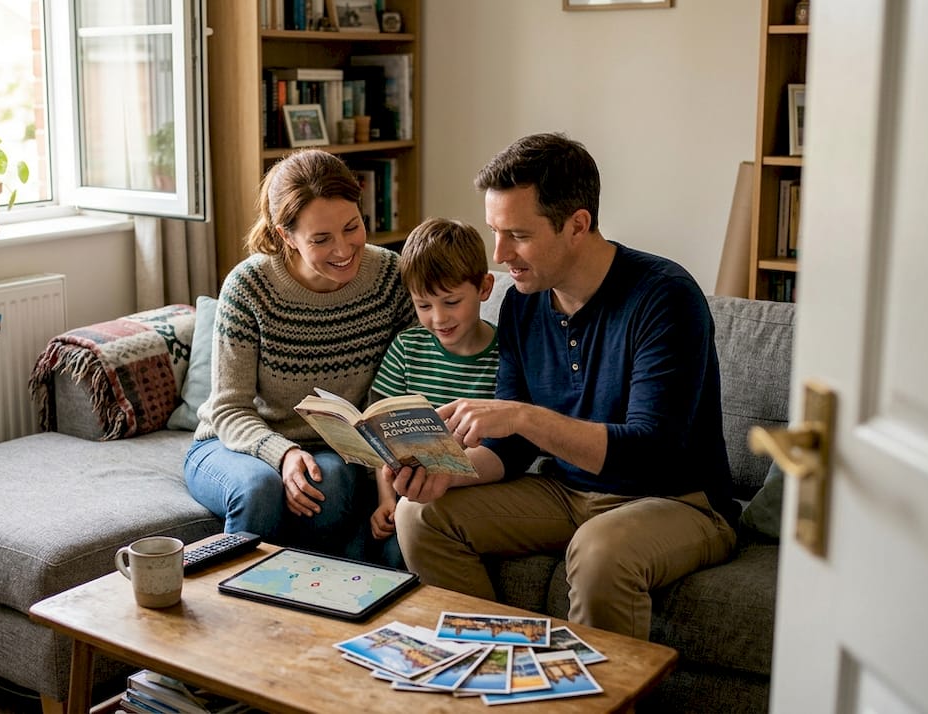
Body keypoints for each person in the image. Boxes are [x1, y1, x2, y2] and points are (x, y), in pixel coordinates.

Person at [387, 133, 738, 640]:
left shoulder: (665, 298)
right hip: (566, 492)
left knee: (601, 551)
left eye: (518, 235)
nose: (500, 253)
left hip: (677, 500)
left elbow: (651, 453)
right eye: (495, 231)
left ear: (577, 225)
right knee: (421, 513)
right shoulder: (522, 303)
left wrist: (525, 417)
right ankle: (499, 669)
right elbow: (507, 451)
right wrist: (442, 472)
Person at [184, 149, 416, 559]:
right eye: (321, 239)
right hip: (234, 444)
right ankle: (236, 615)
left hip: (336, 451)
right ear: (286, 235)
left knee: (331, 485)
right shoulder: (250, 287)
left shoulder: (388, 280)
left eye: (352, 227)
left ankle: (307, 609)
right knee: (260, 489)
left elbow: (404, 385)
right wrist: (284, 454)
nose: (344, 249)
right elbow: (228, 409)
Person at [366, 217, 499, 569]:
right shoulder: (408, 348)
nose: (438, 318)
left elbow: (501, 453)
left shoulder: (506, 358)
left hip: (466, 491)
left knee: (400, 549)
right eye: (424, 305)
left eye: (451, 302)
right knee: (365, 545)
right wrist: (385, 501)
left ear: (485, 288)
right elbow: (382, 438)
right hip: (404, 488)